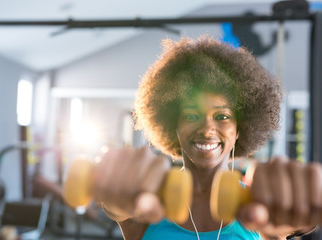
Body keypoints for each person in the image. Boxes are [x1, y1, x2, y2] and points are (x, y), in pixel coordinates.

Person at [92, 35, 321, 239]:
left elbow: (299, 220)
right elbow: (116, 206)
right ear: (173, 126)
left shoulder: (259, 206)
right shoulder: (147, 199)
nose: (207, 128)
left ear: (240, 129)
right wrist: (114, 190)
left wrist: (304, 205)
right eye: (192, 115)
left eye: (222, 116)